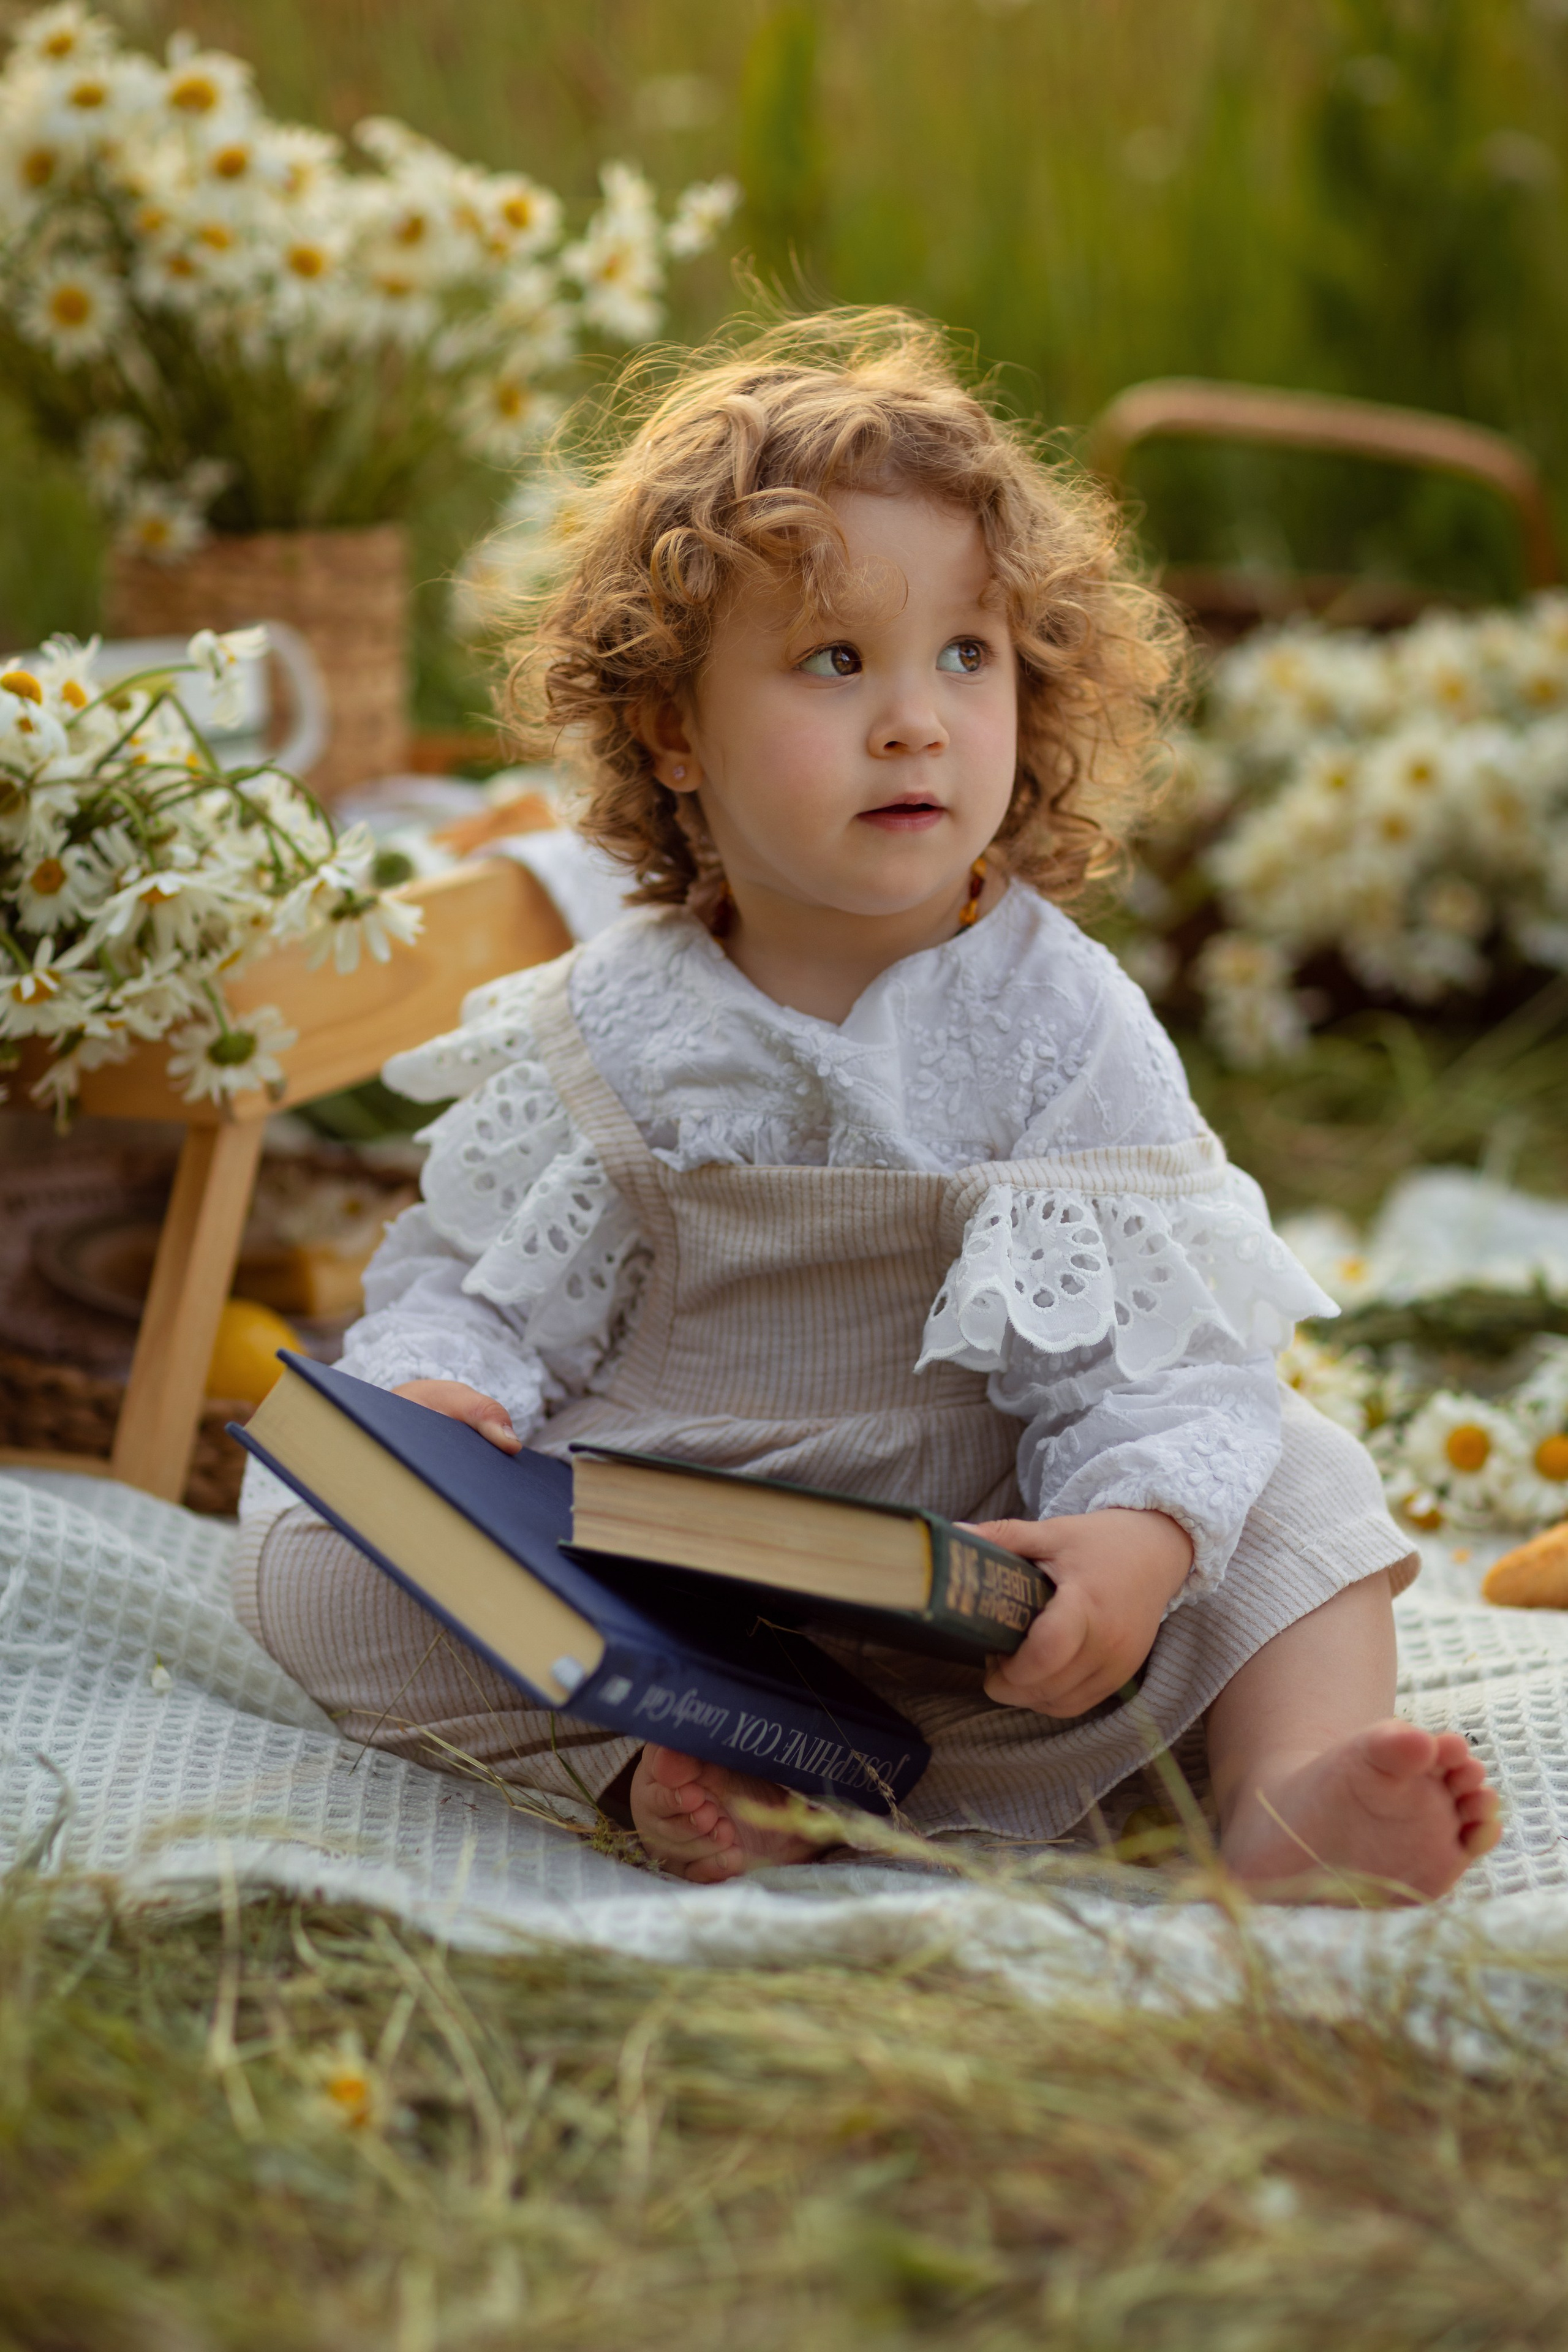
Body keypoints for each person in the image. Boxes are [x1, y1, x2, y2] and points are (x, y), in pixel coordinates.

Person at [233, 310, 1500, 1899]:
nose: (915, 718)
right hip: (685, 1586)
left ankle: (1290, 1797)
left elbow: (1159, 1362)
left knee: (1296, 1486)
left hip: (988, 1606)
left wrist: (1136, 1539)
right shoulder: (605, 1022)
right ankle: (666, 1765)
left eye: (966, 657)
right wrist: (442, 1400)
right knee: (314, 1550)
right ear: (672, 730)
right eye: (836, 662)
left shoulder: (1055, 1023)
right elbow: (481, 1298)